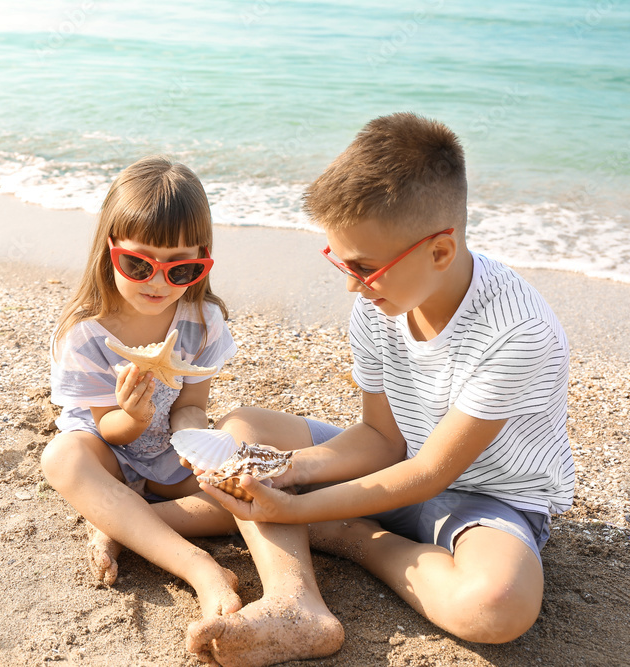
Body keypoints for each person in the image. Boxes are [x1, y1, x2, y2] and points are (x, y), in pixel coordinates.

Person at [198, 112, 575, 645]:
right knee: (243, 427)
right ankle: (294, 599)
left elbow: (430, 475)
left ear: (439, 250)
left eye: (363, 268)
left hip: (489, 499)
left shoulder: (518, 331)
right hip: (401, 467)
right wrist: (288, 471)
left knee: (497, 606)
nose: (353, 287)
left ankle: (349, 537)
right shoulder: (382, 298)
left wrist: (302, 506)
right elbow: (381, 438)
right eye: (341, 263)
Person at [41, 156, 345, 666]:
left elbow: (191, 406)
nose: (157, 282)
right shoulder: (86, 332)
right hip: (109, 447)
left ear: (204, 261)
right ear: (108, 250)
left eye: (180, 268)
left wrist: (195, 444)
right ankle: (200, 568)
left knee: (239, 484)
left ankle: (119, 523)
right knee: (63, 459)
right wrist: (132, 417)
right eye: (138, 265)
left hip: (167, 451)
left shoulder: (200, 322)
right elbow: (106, 429)